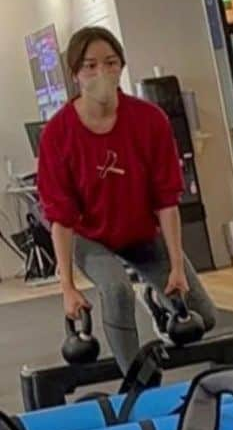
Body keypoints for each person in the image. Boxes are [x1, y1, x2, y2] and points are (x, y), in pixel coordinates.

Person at [37, 26, 217, 373]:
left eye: (110, 62)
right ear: (76, 74)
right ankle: (137, 382)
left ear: (121, 66)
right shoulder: (58, 134)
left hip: (140, 231)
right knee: (117, 291)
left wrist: (177, 266)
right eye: (89, 66)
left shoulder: (150, 120)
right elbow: (60, 217)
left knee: (203, 317)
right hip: (91, 238)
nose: (101, 73)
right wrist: (67, 288)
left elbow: (166, 200)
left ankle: (156, 302)